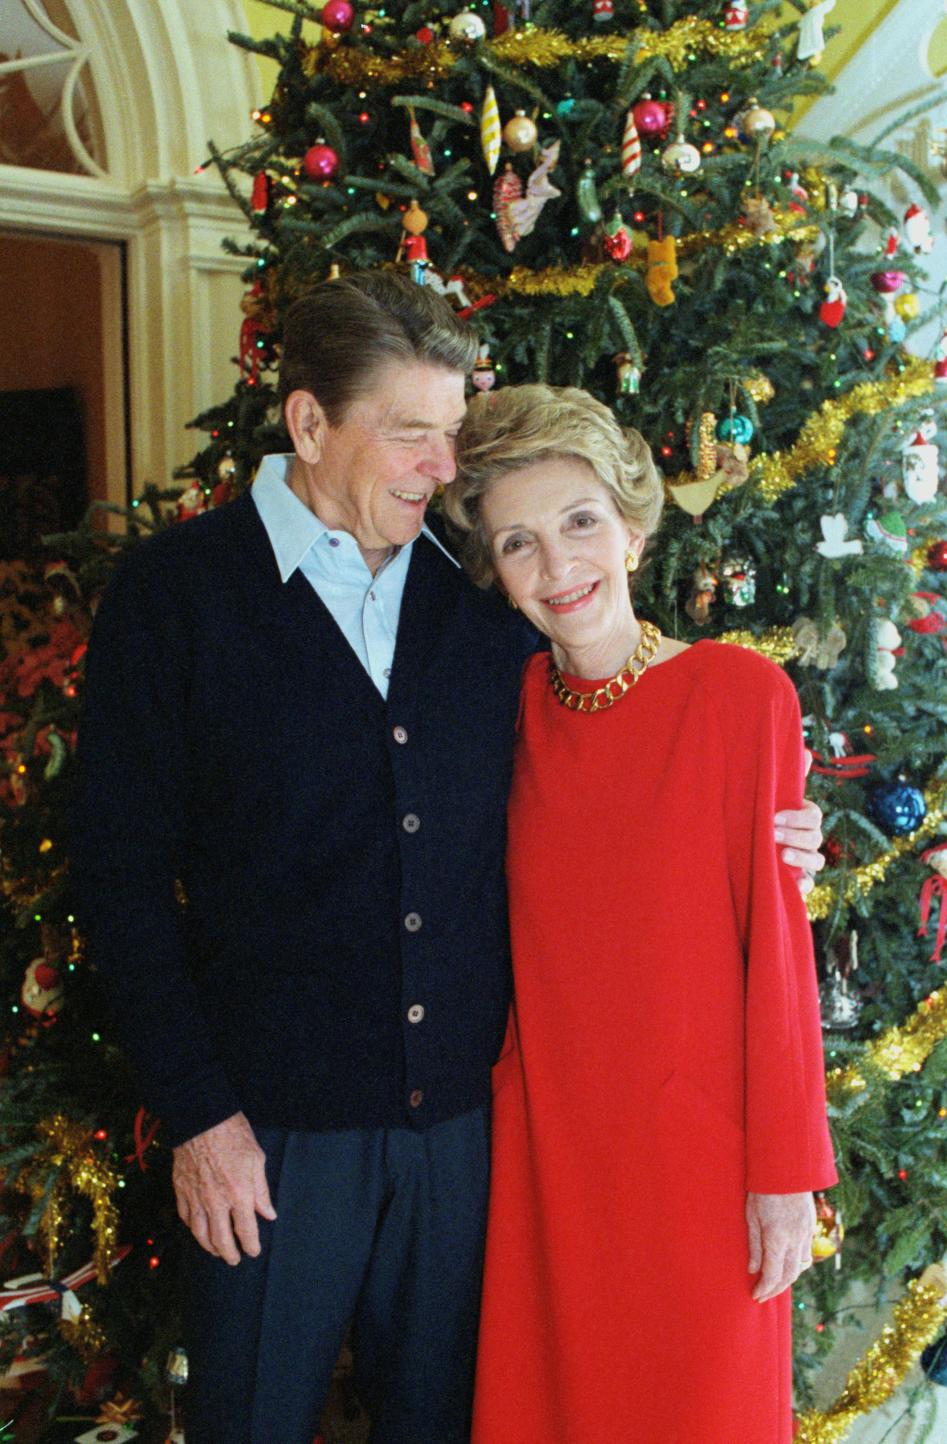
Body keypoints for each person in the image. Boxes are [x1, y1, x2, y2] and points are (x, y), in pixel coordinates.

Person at [71, 273, 825, 1444]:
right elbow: (116, 874)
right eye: (408, 431)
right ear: (310, 423)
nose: (439, 466)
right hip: (270, 1139)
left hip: (470, 1144)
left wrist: (776, 832)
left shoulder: (473, 604)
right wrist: (198, 1115)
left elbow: (622, 759)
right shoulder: (177, 596)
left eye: (449, 431)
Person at [443, 383, 838, 1444]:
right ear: (495, 569)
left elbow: (779, 960)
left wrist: (787, 1177)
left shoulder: (741, 697)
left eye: (579, 522)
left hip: (703, 1176)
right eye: (519, 542)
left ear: (630, 523)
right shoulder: (503, 714)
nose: (558, 565)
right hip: (551, 1165)